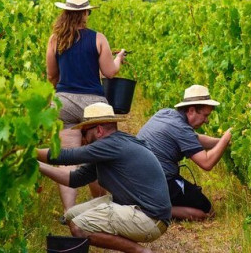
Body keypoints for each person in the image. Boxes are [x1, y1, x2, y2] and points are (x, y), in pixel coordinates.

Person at [37, 102, 171, 253]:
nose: (83, 139)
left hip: (150, 219)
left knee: (79, 226)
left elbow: (67, 156)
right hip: (139, 210)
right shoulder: (111, 148)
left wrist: (31, 152)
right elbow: (75, 179)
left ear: (99, 130)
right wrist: (38, 166)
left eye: (83, 132)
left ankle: (141, 251)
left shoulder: (111, 144)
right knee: (71, 216)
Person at [46, 0, 126, 213]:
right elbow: (109, 72)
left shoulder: (55, 40)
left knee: (67, 161)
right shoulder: (98, 38)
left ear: (65, 12)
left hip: (64, 103)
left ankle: (69, 213)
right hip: (95, 106)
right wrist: (118, 58)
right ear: (86, 13)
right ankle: (97, 210)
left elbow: (51, 76)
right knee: (98, 160)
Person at [137, 84, 232, 221]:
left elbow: (195, 139)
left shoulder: (165, 114)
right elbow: (207, 163)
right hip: (159, 182)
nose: (207, 120)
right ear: (192, 110)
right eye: (205, 115)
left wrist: (223, 142)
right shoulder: (181, 129)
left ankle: (150, 204)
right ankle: (152, 210)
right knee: (205, 212)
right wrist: (226, 138)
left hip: (137, 180)